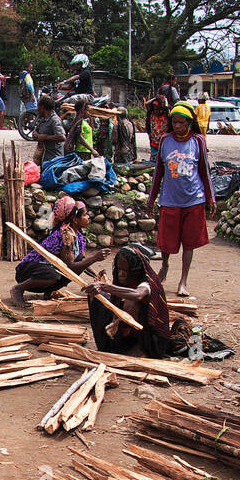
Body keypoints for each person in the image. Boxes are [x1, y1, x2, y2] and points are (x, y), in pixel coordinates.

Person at [149, 102, 215, 298]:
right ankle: (165, 266)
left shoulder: (198, 141)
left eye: (181, 123)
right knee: (166, 242)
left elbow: (205, 171)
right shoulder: (164, 141)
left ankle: (183, 280)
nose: (177, 126)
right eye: (174, 122)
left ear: (189, 123)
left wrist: (211, 198)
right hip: (170, 199)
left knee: (189, 242)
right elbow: (158, 173)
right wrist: (151, 199)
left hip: (194, 198)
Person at [8, 195, 108, 307]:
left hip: (44, 271)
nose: (88, 217)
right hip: (27, 271)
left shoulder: (78, 237)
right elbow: (70, 267)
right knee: (54, 274)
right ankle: (18, 288)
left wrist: (96, 276)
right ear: (75, 220)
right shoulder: (64, 235)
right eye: (85, 215)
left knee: (78, 260)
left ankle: (49, 292)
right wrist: (95, 258)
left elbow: (82, 261)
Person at [85, 244, 172, 357]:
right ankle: (108, 345)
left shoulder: (148, 283)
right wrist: (116, 321)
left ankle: (141, 349)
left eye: (126, 270)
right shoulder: (123, 282)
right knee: (96, 296)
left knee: (130, 303)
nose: (121, 274)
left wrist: (104, 286)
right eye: (119, 269)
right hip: (127, 332)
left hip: (153, 341)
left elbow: (138, 295)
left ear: (137, 270)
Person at [34, 96, 66, 164]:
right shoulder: (42, 119)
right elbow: (37, 132)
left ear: (42, 107)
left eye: (38, 107)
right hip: (45, 158)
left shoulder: (54, 120)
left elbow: (62, 137)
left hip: (54, 160)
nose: (37, 109)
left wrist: (45, 137)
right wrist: (35, 134)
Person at [146, 94, 171, 161]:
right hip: (154, 143)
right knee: (153, 162)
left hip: (164, 144)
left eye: (158, 109)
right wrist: (155, 98)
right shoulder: (151, 115)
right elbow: (147, 104)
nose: (156, 110)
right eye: (155, 109)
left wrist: (163, 101)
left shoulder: (166, 116)